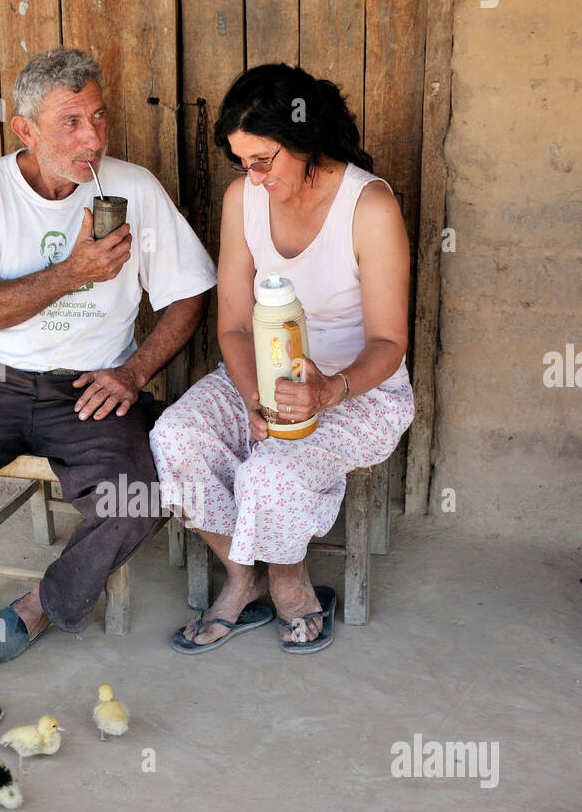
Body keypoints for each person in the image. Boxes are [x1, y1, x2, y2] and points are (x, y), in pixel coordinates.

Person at [0, 47, 216, 766]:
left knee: (135, 497)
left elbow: (188, 293)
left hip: (90, 384)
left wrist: (132, 371)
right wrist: (70, 274)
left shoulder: (133, 188)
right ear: (25, 131)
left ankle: (37, 609)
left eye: (97, 117)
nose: (92, 138)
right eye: (70, 123)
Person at [150, 63, 415, 655]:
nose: (254, 175)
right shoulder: (244, 198)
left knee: (271, 474)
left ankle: (290, 582)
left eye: (264, 159)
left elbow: (389, 343)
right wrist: (254, 398)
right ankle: (243, 578)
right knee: (176, 436)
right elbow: (235, 324)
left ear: (304, 141)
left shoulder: (368, 206)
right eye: (243, 162)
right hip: (262, 377)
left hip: (358, 389)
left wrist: (327, 391)